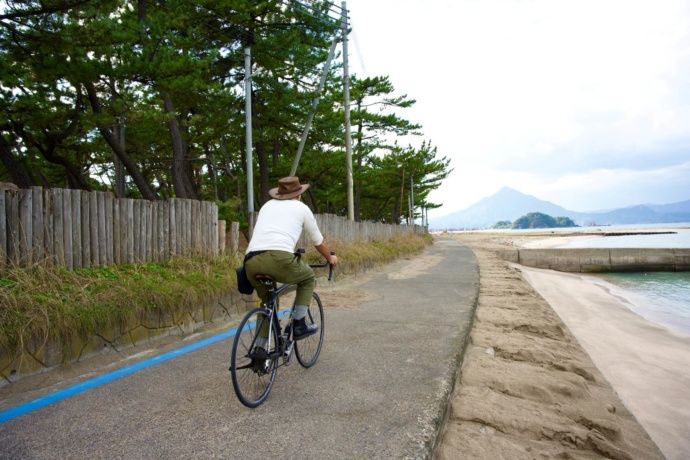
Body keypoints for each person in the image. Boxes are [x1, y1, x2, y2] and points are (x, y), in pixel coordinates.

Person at [244, 176, 338, 347]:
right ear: (299, 195)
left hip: (251, 261)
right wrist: (329, 258)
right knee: (308, 278)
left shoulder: (266, 206)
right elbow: (319, 242)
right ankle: (300, 324)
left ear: (279, 194)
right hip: (279, 259)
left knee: (267, 303)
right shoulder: (301, 208)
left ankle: (259, 349)